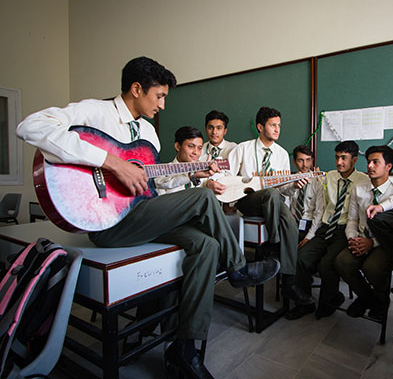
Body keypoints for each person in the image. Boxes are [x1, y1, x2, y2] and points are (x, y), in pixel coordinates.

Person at [16, 56, 280, 379]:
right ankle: (237, 268)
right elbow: (29, 126)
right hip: (108, 223)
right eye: (159, 96)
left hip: (140, 215)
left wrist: (190, 173)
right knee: (203, 197)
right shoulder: (96, 112)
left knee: (208, 245)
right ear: (137, 89)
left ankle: (184, 349)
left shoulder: (148, 133)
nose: (163, 105)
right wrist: (111, 162)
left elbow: (154, 183)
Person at [225, 107, 314, 306]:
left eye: (279, 125)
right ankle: (273, 246)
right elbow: (227, 176)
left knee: (290, 223)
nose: (277, 129)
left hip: (273, 201)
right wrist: (231, 200)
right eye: (273, 125)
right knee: (272, 195)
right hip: (248, 200)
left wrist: (294, 186)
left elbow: (283, 190)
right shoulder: (243, 148)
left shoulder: (281, 154)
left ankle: (289, 283)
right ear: (260, 127)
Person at [288, 141, 370, 320]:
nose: (339, 162)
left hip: (344, 230)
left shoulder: (363, 181)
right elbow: (318, 206)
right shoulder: (329, 177)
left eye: (344, 158)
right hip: (324, 228)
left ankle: (330, 300)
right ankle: (305, 302)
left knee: (326, 265)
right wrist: (310, 235)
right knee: (301, 259)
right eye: (337, 157)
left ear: (354, 160)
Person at [334, 145, 393, 320]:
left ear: (388, 166)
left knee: (373, 267)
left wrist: (372, 243)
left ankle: (382, 300)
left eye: (375, 162)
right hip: (360, 238)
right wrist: (353, 239)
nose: (369, 166)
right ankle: (367, 298)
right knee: (342, 262)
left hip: (382, 244)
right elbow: (352, 219)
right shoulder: (359, 188)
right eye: (368, 161)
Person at [289, 145, 324, 249]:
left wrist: (309, 236)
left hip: (310, 225)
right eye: (300, 160)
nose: (305, 165)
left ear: (312, 161)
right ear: (294, 162)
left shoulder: (319, 182)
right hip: (292, 223)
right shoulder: (289, 181)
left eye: (308, 160)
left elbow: (319, 212)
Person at [156, 126, 208, 194]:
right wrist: (190, 177)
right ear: (178, 146)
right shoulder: (162, 172)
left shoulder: (204, 172)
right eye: (191, 146)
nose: (196, 152)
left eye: (199, 148)